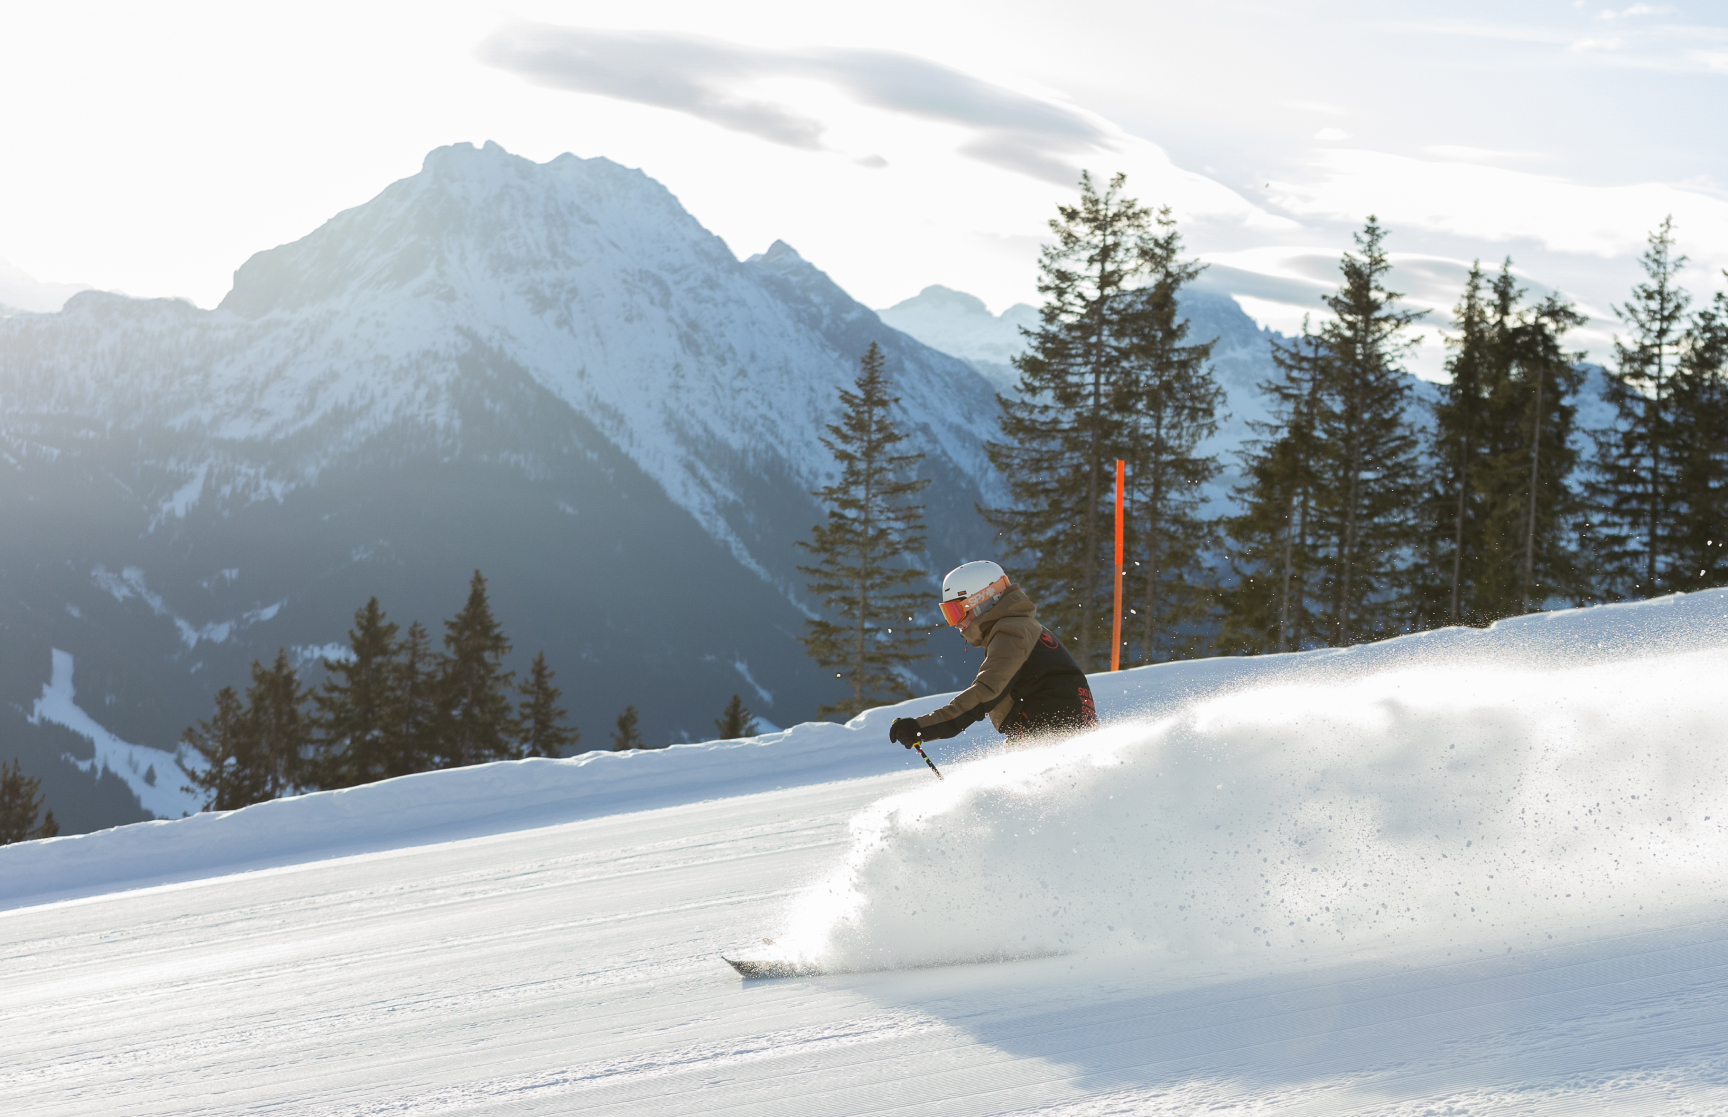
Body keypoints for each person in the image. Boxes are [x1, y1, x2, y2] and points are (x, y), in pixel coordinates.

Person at [889, 561, 1097, 750]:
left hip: (1049, 740)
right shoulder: (1023, 627)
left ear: (983, 600)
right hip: (1057, 736)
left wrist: (921, 727)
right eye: (948, 614)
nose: (955, 623)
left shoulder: (1011, 633)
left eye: (957, 612)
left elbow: (986, 692)